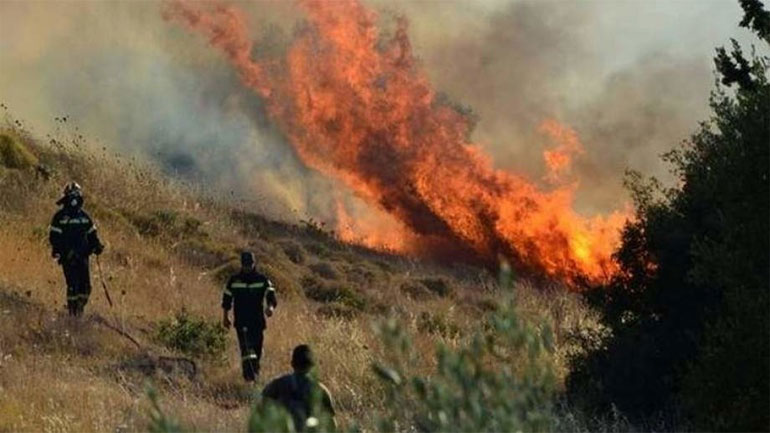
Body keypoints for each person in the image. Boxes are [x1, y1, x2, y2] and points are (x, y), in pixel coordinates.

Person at [49, 182, 104, 317]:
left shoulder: (84, 217)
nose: (74, 199)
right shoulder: (60, 217)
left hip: (83, 256)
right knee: (73, 286)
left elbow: (92, 234)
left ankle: (79, 309)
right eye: (71, 195)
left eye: (76, 195)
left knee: (86, 288)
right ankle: (72, 314)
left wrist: (96, 246)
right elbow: (54, 237)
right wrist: (60, 251)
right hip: (68, 257)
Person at [222, 251, 277, 382]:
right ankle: (249, 379)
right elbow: (226, 299)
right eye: (245, 265)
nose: (247, 267)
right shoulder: (234, 280)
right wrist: (225, 317)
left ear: (254, 264)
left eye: (250, 264)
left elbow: (271, 295)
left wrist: (270, 307)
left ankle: (255, 374)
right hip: (242, 322)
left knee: (256, 351)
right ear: (241, 264)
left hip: (257, 322)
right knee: (247, 350)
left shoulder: (262, 279)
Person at [262, 344, 336, 432]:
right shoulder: (320, 389)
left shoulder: (278, 384)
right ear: (312, 366)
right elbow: (331, 424)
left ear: (292, 364)